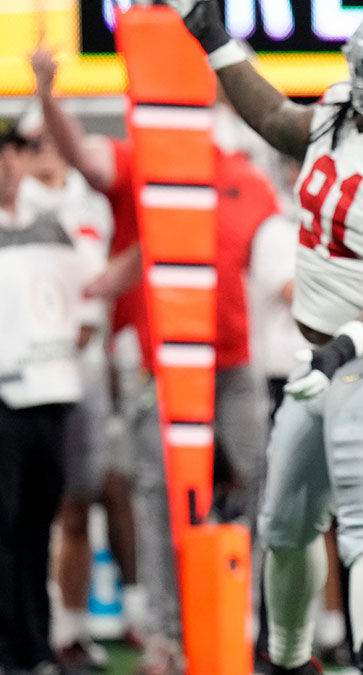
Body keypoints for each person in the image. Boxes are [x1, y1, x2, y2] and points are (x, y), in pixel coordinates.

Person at [170, 2, 363, 672]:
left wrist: (341, 347)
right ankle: (287, 657)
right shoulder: (337, 117)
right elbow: (277, 118)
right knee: (283, 525)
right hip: (326, 357)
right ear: (361, 72)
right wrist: (215, 38)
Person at [31, 46, 276, 673]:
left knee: (259, 488)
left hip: (231, 359)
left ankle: (248, 623)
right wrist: (46, 93)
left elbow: (274, 265)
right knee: (161, 493)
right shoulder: (146, 162)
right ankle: (166, 635)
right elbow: (87, 159)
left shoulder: (244, 176)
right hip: (161, 363)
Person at [16, 106, 146, 669]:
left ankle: (135, 614)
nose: (42, 147)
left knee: (117, 489)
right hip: (38, 372)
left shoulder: (93, 199)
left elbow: (122, 267)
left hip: (100, 367)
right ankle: (62, 625)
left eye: (49, 137)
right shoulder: (19, 208)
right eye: (31, 140)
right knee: (61, 504)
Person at [0, 119, 99, 675]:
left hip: (50, 396)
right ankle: (10, 647)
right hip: (5, 398)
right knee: (6, 528)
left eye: (14, 152)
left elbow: (92, 291)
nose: (9, 164)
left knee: (38, 527)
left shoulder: (53, 224)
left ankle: (35, 644)